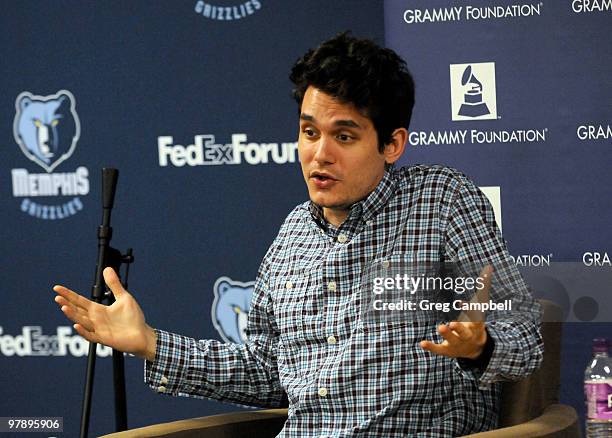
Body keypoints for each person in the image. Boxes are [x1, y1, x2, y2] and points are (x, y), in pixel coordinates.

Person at [53, 33, 543, 436]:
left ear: (392, 144)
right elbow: (268, 374)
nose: (319, 154)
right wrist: (152, 343)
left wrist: (479, 347)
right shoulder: (291, 235)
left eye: (344, 137)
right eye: (309, 132)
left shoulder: (441, 200)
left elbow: (523, 338)